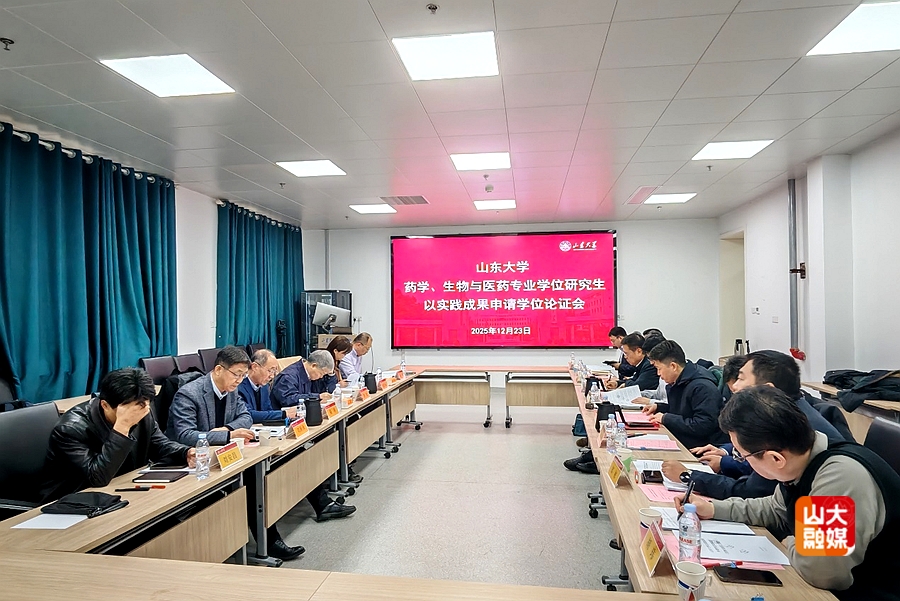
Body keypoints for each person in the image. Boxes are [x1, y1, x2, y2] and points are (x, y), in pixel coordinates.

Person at [676, 386, 900, 601]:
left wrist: (792, 542)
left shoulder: (840, 478)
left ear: (776, 458)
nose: (742, 462)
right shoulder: (804, 460)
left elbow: (821, 571)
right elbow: (775, 508)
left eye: (742, 456)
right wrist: (713, 508)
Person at [663, 350, 847, 500]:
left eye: (741, 379)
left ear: (767, 389)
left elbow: (754, 492)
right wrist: (713, 508)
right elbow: (773, 508)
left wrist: (690, 476)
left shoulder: (834, 472)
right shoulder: (787, 414)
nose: (734, 387)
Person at [39, 368, 195, 503]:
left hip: (121, 489)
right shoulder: (70, 429)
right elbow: (97, 478)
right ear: (105, 405)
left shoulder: (141, 410)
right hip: (73, 501)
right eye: (134, 408)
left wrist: (185, 452)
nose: (143, 412)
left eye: (145, 405)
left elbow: (160, 445)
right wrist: (122, 427)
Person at [642, 340, 728, 449]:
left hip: (700, 447)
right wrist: (659, 407)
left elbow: (703, 425)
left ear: (673, 366)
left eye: (659, 369)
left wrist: (666, 418)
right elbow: (684, 411)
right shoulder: (680, 381)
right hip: (683, 440)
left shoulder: (702, 387)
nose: (658, 374)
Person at [166, 345, 256, 446]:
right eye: (236, 374)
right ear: (218, 370)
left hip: (218, 448)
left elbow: (246, 417)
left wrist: (227, 429)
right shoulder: (189, 394)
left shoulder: (231, 390)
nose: (239, 380)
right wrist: (229, 435)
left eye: (243, 375)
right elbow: (186, 435)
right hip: (189, 452)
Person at [238, 349, 300, 423]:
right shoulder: (238, 386)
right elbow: (248, 414)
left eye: (274, 371)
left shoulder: (264, 386)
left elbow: (268, 410)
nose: (272, 376)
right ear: (255, 367)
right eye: (270, 370)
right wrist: (284, 414)